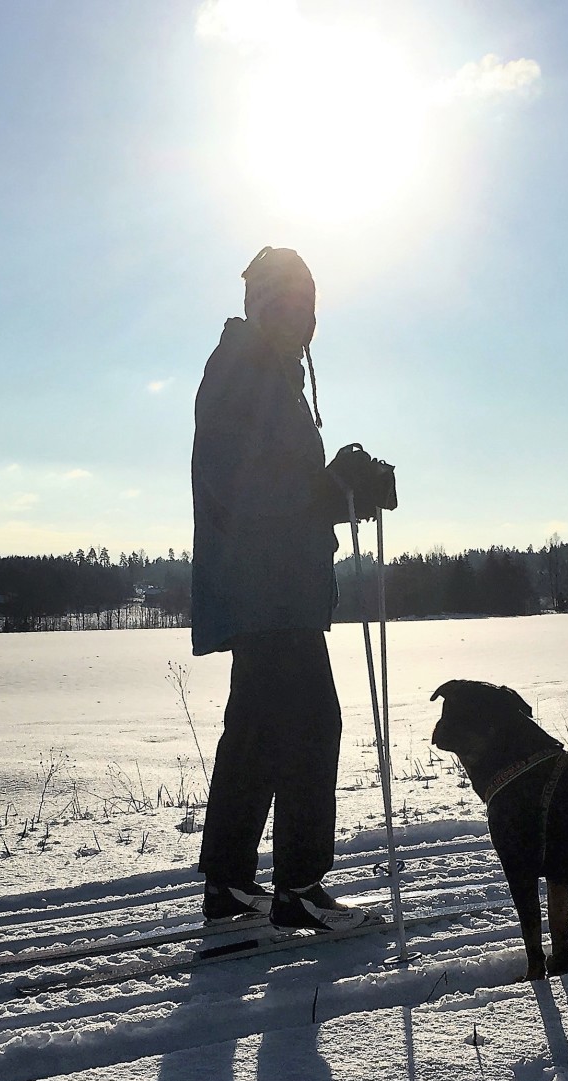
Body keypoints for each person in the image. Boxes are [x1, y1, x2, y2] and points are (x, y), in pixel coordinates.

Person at [189, 246, 382, 932]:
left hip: (273, 583)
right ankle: (298, 889)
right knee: (308, 725)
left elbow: (280, 489)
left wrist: (343, 492)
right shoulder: (242, 370)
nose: (301, 317)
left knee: (257, 733)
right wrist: (325, 488)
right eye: (287, 303)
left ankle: (230, 884)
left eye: (309, 306)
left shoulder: (270, 375)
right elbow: (232, 482)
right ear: (260, 306)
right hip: (265, 587)